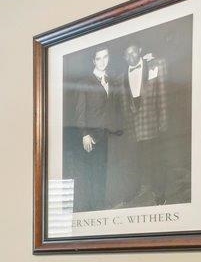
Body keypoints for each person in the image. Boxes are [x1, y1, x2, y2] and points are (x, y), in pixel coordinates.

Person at [66, 46, 124, 212]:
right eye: (98, 58)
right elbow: (80, 112)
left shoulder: (111, 80)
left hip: (107, 134)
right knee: (91, 173)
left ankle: (101, 205)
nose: (102, 61)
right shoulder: (84, 83)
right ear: (93, 61)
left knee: (103, 170)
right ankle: (93, 209)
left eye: (105, 57)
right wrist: (84, 134)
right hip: (91, 136)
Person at [114, 42, 173, 205]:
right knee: (133, 162)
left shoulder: (156, 65)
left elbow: (163, 95)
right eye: (127, 55)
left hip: (151, 122)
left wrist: (163, 120)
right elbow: (123, 104)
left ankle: (159, 192)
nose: (130, 57)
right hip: (132, 126)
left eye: (133, 52)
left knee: (155, 160)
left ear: (140, 50)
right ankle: (134, 189)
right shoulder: (120, 77)